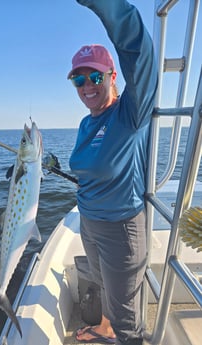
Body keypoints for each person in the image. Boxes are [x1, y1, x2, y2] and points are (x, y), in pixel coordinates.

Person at [68, 1, 158, 345]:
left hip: (121, 230)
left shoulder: (130, 114)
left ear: (112, 76)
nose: (86, 86)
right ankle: (104, 327)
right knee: (102, 284)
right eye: (78, 78)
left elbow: (138, 50)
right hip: (89, 221)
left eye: (94, 77)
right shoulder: (85, 123)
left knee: (128, 319)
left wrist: (103, 4)